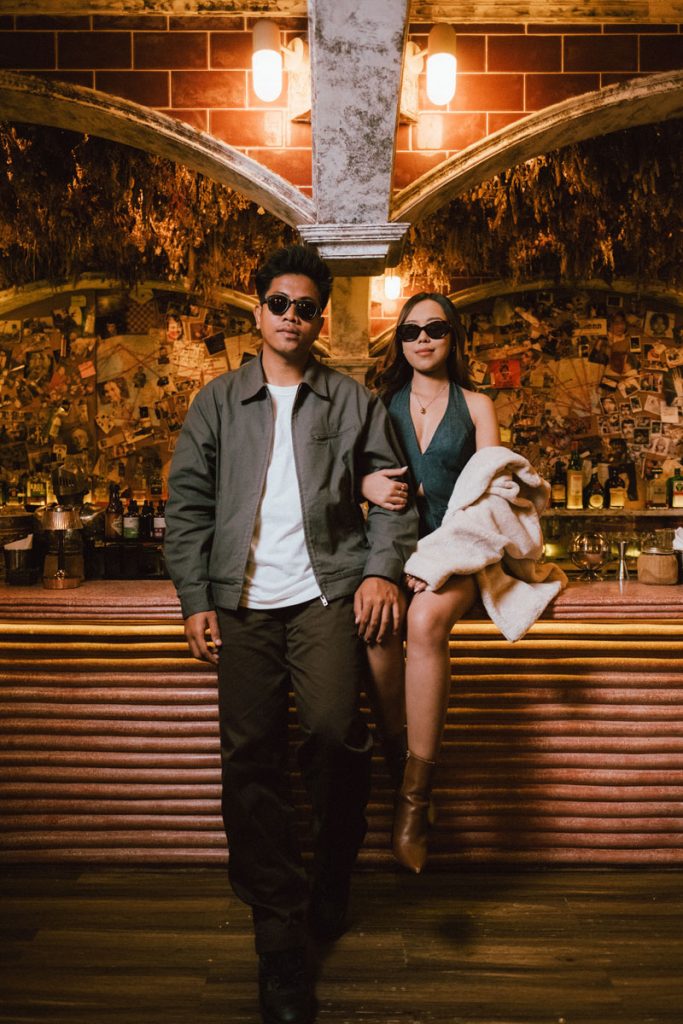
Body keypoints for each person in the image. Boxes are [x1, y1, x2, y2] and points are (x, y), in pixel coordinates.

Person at [164, 245, 417, 1024]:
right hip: (239, 604)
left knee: (337, 735)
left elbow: (395, 499)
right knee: (250, 759)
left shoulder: (349, 400)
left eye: (306, 308)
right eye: (279, 303)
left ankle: (331, 870)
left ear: (319, 320)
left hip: (324, 595)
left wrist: (380, 573)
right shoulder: (216, 403)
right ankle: (277, 939)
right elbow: (187, 509)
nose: (291, 317)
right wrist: (195, 598)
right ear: (257, 310)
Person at [360, 292, 500, 875]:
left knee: (422, 619)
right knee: (374, 626)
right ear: (399, 341)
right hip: (395, 552)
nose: (422, 338)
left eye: (435, 328)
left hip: (462, 552)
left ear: (453, 337)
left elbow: (497, 495)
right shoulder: (379, 405)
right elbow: (349, 473)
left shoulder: (478, 405)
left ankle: (414, 803)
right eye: (411, 330)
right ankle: (403, 774)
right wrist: (366, 486)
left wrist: (441, 562)